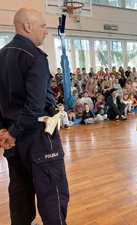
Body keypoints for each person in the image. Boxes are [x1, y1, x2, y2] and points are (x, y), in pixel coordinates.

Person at [0, 8, 69, 225]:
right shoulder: (35, 57)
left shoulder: (1, 56)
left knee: (20, 198)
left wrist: (5, 131)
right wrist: (14, 132)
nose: (46, 32)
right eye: (43, 26)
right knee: (53, 197)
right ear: (27, 26)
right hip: (38, 138)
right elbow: (36, 105)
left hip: (13, 141)